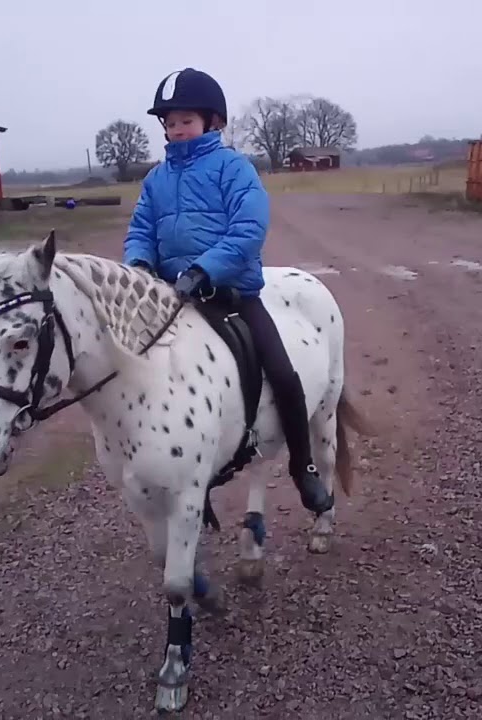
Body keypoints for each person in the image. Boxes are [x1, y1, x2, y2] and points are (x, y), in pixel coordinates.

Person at [122, 67, 333, 516]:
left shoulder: (234, 168)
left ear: (212, 121)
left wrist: (205, 270)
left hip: (232, 295)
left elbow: (248, 229)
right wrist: (138, 265)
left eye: (186, 121)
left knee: (283, 372)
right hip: (173, 297)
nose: (177, 130)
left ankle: (303, 467)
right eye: (170, 123)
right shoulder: (156, 179)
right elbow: (141, 229)